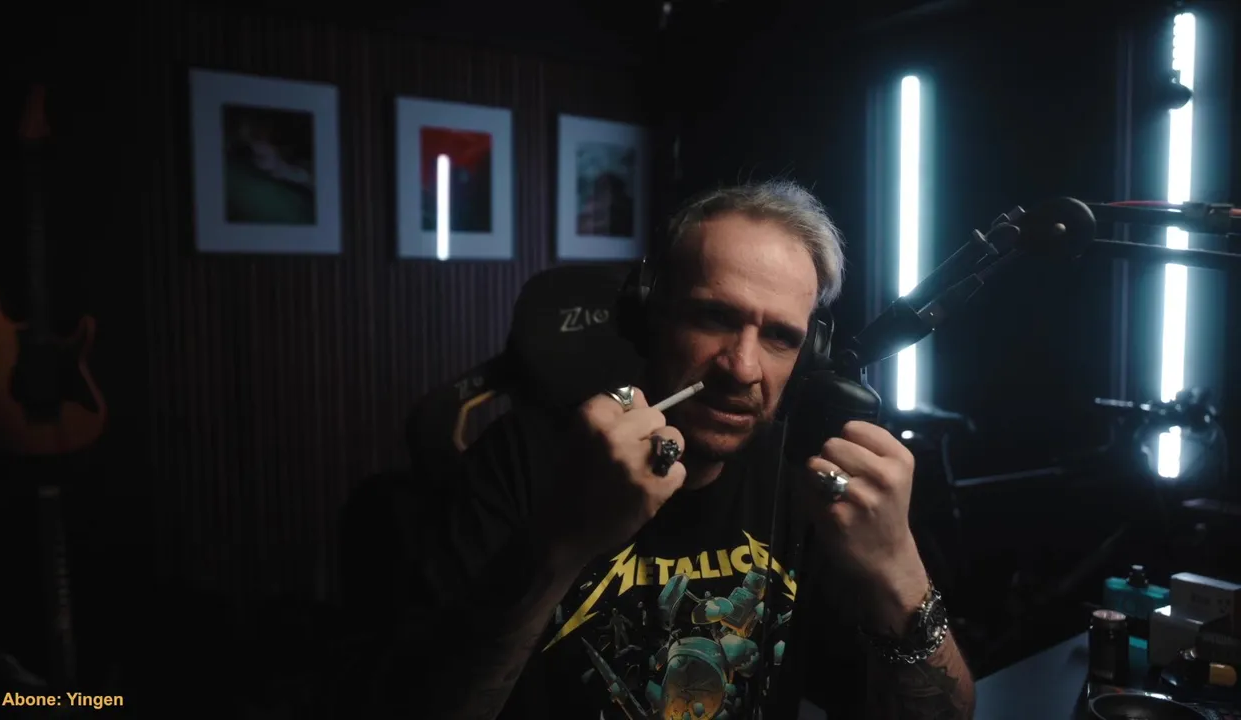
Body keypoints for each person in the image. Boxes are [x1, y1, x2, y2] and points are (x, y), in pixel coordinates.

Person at [407, 180, 975, 719]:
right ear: (648, 315)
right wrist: (565, 541)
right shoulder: (519, 460)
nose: (742, 368)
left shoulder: (807, 481)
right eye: (715, 317)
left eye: (780, 337)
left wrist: (897, 567)